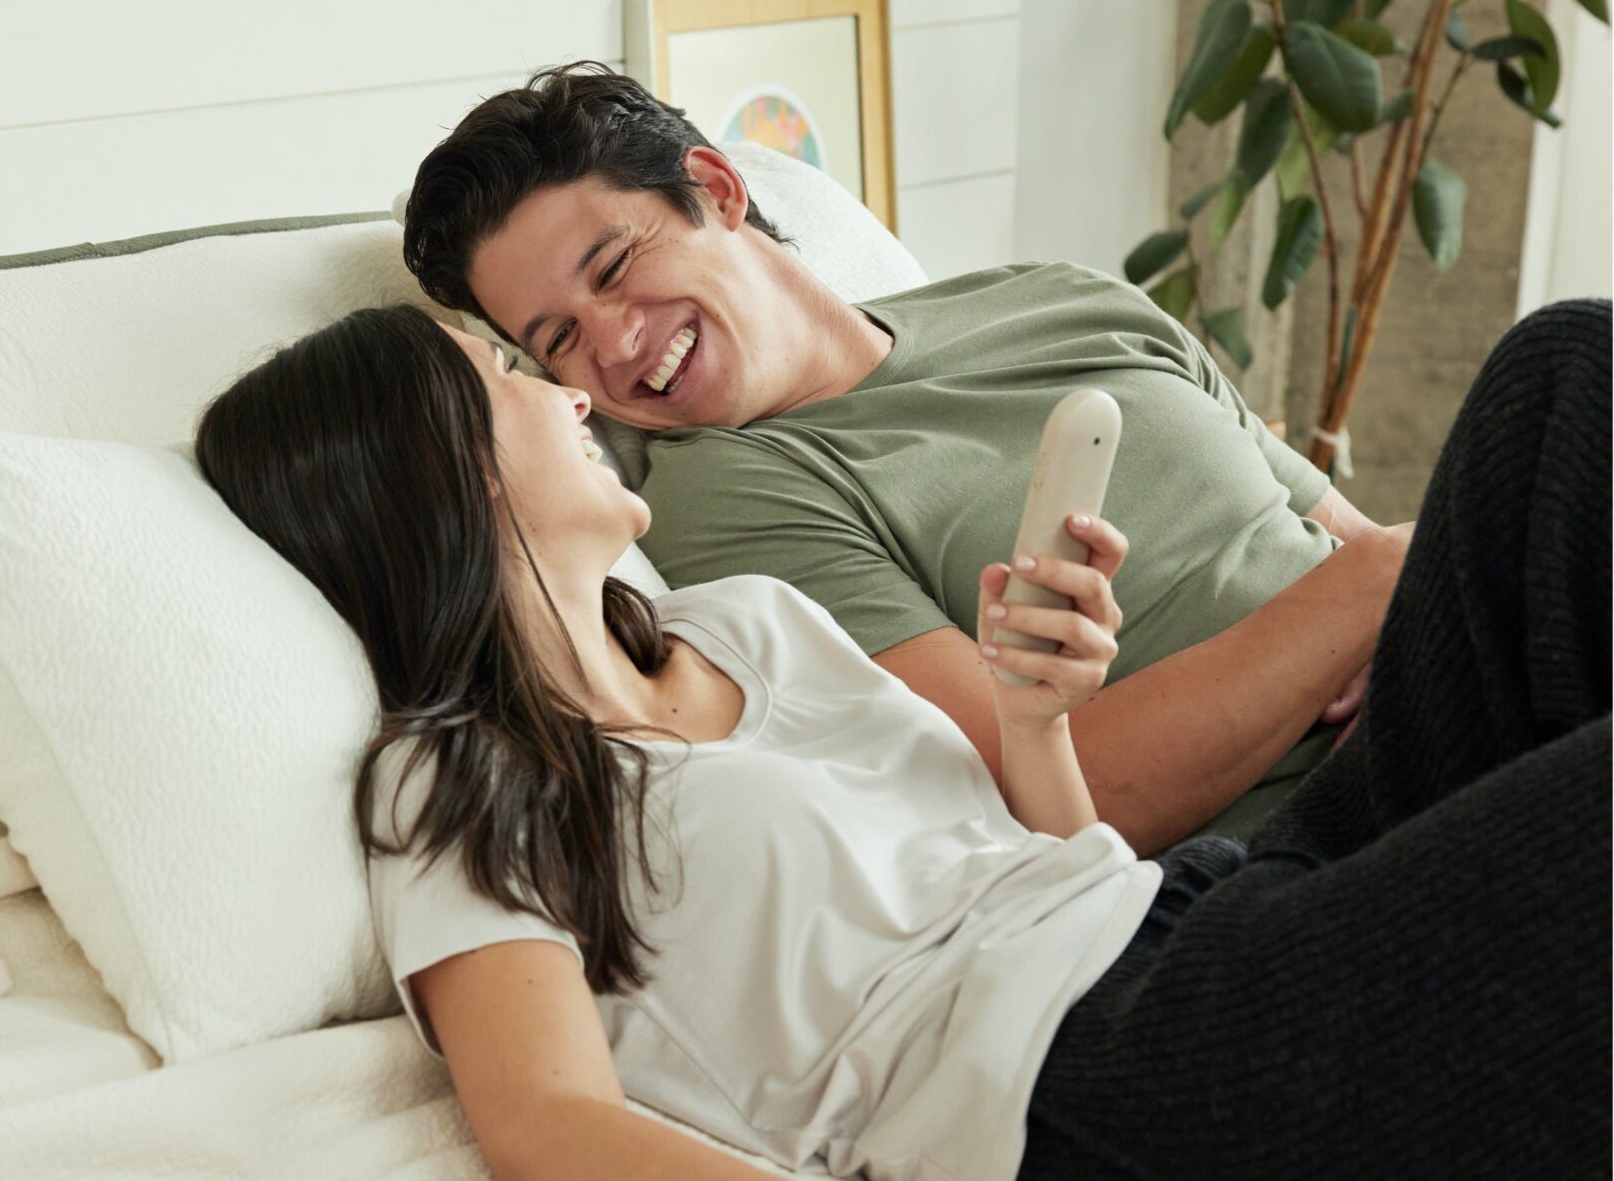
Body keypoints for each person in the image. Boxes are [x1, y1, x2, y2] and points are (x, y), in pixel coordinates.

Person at [192, 300, 1607, 1180]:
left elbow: (1056, 854)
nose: (573, 393)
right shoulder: (462, 774)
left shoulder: (744, 620)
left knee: (1566, 387)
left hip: (1188, 919)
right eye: (514, 370)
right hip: (1086, 1081)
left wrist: (1038, 717)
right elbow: (548, 1126)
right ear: (436, 467)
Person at [398, 63, 1413, 851]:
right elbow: (1049, 794)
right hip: (1306, 836)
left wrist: (1380, 584)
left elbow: (1361, 544)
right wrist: (1365, 590)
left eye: (615, 269)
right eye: (560, 338)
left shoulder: (1056, 294)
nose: (613, 346)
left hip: (1433, 698)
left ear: (713, 188)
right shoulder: (728, 488)